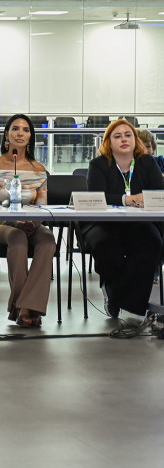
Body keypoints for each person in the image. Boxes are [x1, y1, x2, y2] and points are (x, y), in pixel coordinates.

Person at [84, 119, 164, 327]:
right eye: (117, 136)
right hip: (104, 223)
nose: (124, 139)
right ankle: (113, 290)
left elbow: (159, 192)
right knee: (105, 245)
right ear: (108, 142)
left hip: (138, 222)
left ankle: (118, 295)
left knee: (152, 240)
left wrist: (148, 198)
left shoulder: (147, 162)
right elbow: (97, 196)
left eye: (128, 135)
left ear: (135, 139)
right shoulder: (99, 164)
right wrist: (125, 199)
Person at [0, 114, 56, 328]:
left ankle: (24, 306)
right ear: (7, 134)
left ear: (30, 135)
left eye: (25, 130)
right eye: (15, 129)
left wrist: (32, 223)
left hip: (32, 224)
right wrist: (16, 223)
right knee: (17, 238)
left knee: (48, 240)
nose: (20, 133)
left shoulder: (39, 169)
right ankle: (26, 308)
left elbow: (42, 206)